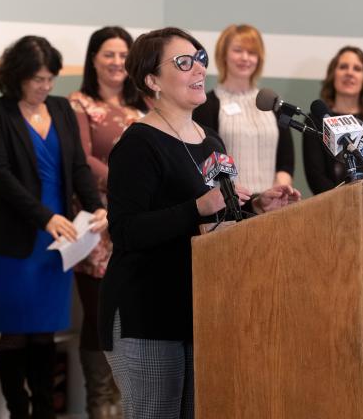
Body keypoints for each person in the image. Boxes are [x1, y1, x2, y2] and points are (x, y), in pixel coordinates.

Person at [98, 27, 301, 419]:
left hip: (199, 308)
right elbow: (125, 231)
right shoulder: (137, 144)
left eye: (200, 59)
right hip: (145, 313)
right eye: (183, 62)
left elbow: (219, 218)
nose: (198, 70)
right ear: (152, 80)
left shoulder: (210, 140)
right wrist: (197, 207)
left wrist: (257, 205)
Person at [0, 35, 107, 419]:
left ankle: (46, 411)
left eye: (50, 78)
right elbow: (1, 176)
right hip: (14, 241)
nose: (45, 86)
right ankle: (19, 411)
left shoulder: (63, 110)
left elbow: (80, 168)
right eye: (37, 79)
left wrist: (96, 208)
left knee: (46, 331)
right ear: (17, 76)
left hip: (59, 240)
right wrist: (44, 217)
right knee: (15, 331)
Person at [68, 26, 148, 419]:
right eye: (108, 55)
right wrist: (129, 178)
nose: (117, 62)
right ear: (93, 59)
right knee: (99, 316)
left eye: (123, 55)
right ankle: (99, 404)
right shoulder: (79, 103)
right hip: (96, 223)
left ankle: (126, 403)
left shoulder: (143, 109)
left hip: (136, 222)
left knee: (131, 316)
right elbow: (81, 160)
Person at [193, 24, 295, 193]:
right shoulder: (208, 105)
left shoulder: (272, 102)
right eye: (238, 50)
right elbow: (204, 163)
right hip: (230, 209)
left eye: (252, 52)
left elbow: (286, 161)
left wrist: (276, 193)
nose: (245, 57)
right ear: (223, 54)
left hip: (272, 207)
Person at [302, 45, 363, 194]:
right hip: (331, 207)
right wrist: (347, 202)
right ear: (333, 74)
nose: (349, 73)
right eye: (343, 67)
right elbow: (315, 177)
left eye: (357, 69)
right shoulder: (315, 120)